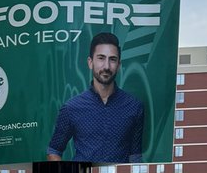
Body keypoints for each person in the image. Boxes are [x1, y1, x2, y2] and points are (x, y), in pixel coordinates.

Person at [47, 31, 144, 164]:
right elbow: (54, 150)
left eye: (112, 59)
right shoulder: (71, 108)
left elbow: (135, 156)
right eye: (101, 58)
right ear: (90, 62)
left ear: (119, 65)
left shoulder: (134, 106)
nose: (106, 66)